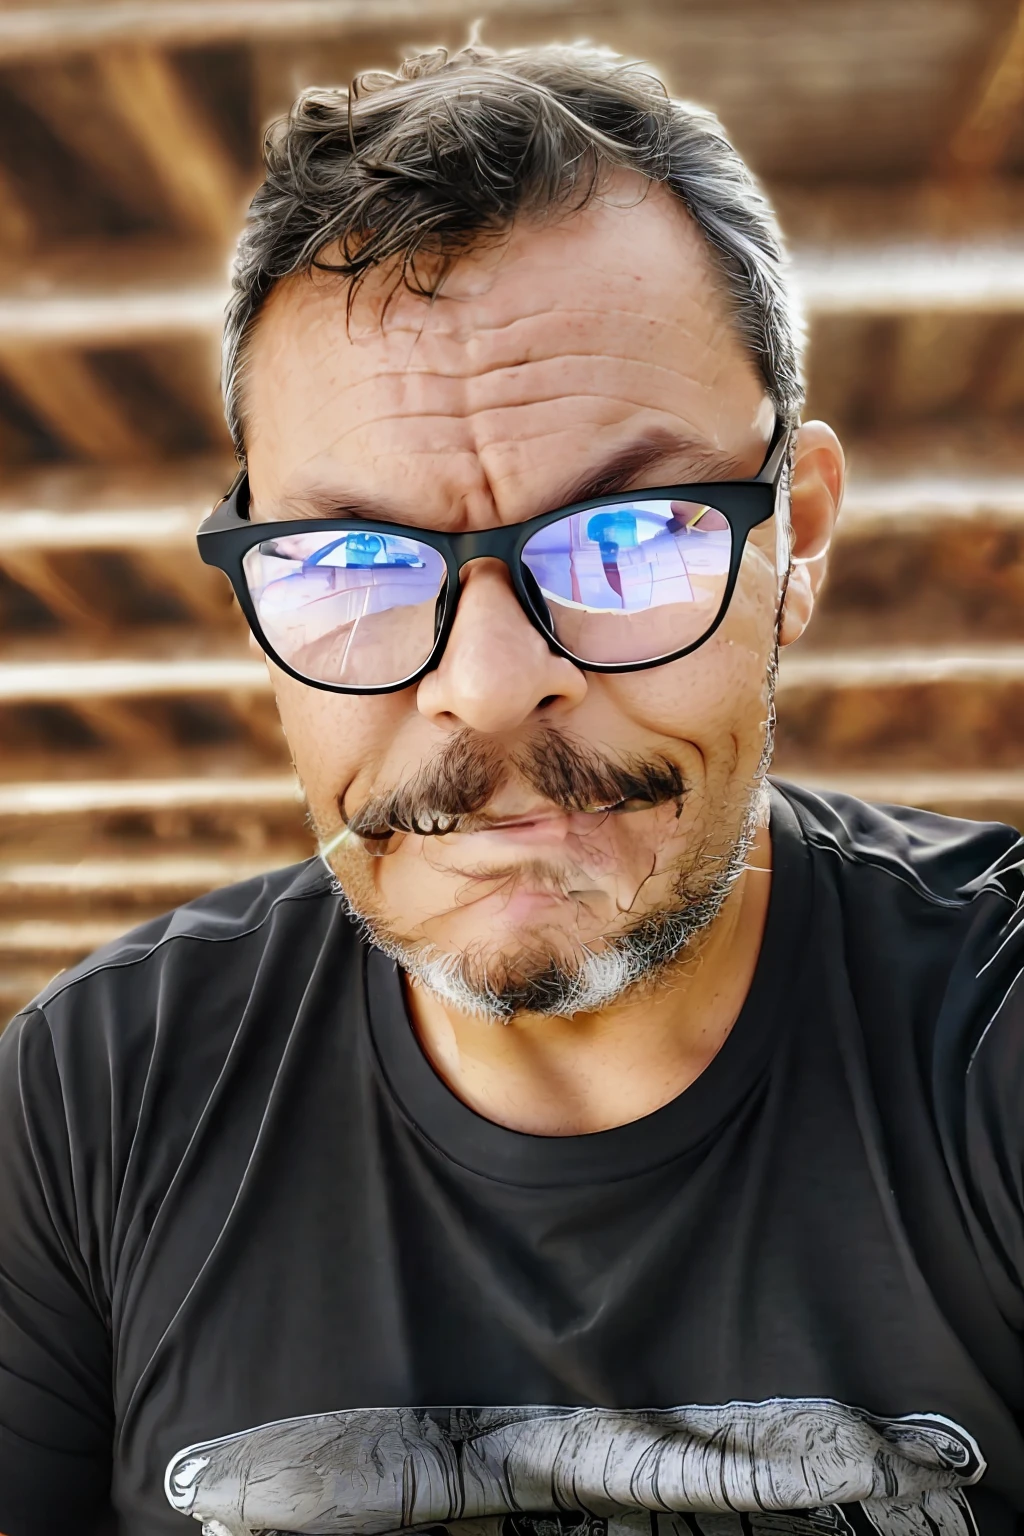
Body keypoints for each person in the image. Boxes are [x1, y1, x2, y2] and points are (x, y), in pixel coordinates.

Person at [0, 40, 1021, 1536]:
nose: (482, 685)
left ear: (793, 538)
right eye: (349, 562)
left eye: (628, 538)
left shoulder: (991, 1038)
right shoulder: (89, 1107)